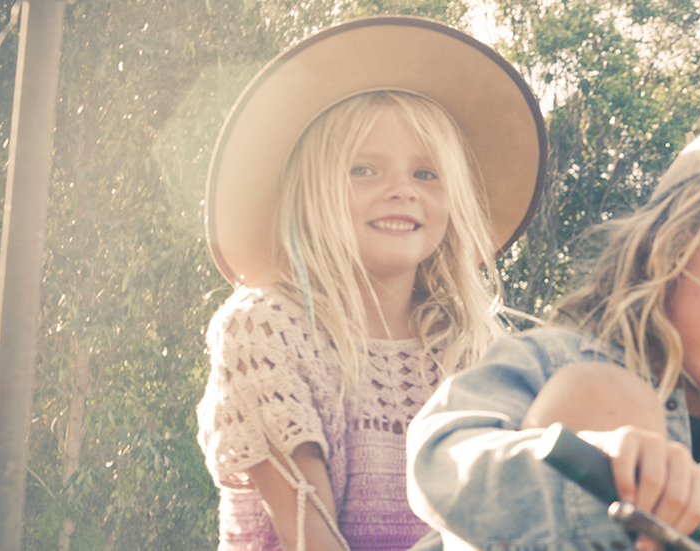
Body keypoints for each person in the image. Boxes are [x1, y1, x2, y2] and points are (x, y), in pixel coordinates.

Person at [406, 117, 700, 551]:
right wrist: (593, 461)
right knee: (603, 393)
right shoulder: (553, 359)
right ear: (667, 249)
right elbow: (441, 461)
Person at [195, 16, 547, 551]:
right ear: (311, 192)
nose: (401, 191)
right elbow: (308, 534)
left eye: (426, 174)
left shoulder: (474, 348)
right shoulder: (264, 331)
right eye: (365, 170)